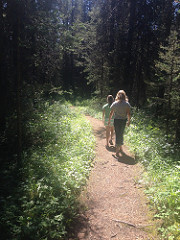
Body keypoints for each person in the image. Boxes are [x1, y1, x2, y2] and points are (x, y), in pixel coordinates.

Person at [108, 90, 131, 157]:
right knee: (121, 133)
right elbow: (128, 114)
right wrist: (129, 121)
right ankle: (120, 148)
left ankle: (117, 150)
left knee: (118, 134)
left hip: (116, 120)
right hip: (123, 120)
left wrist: (109, 120)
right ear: (124, 96)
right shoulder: (127, 104)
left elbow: (111, 113)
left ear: (117, 95)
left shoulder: (115, 103)